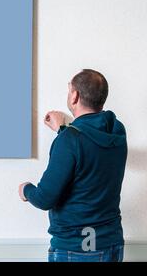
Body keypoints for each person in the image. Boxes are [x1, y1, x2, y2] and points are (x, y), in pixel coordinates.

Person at [19, 69, 127, 262]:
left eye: (70, 90)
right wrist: (63, 130)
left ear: (75, 95)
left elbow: (44, 198)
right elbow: (91, 153)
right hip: (111, 242)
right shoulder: (117, 131)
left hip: (78, 248)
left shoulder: (70, 139)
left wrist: (25, 190)